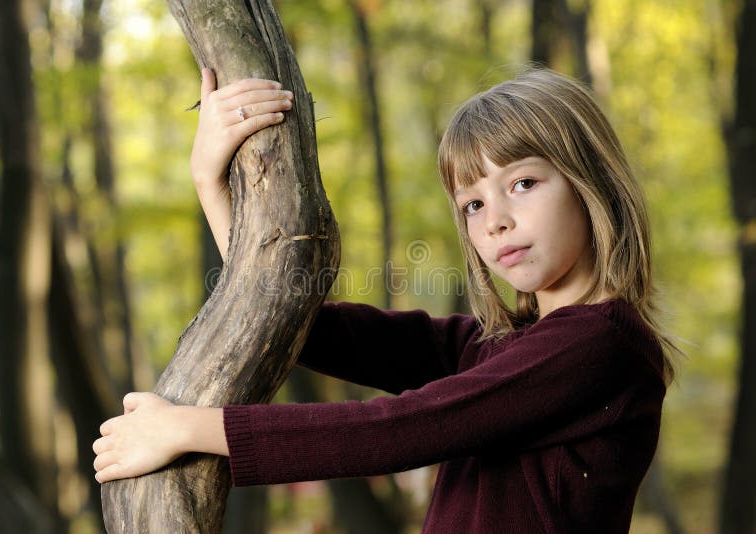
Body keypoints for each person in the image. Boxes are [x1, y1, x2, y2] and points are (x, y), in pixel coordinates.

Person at [93, 66, 678, 533]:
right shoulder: (498, 348)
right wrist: (211, 185)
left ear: (589, 180)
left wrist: (189, 430)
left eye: (522, 183)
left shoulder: (600, 347)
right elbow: (302, 328)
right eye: (473, 204)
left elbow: (398, 430)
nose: (495, 220)